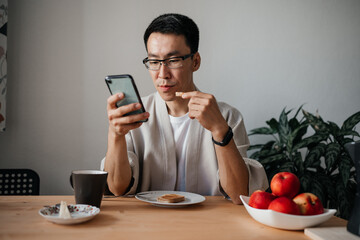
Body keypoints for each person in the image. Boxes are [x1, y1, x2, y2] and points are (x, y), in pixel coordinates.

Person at [102, 13, 268, 204]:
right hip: (149, 225)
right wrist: (115, 135)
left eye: (173, 60)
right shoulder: (134, 114)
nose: (163, 74)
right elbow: (116, 188)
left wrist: (220, 131)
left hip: (211, 225)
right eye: (154, 62)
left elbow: (240, 194)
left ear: (195, 61)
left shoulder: (227, 116)